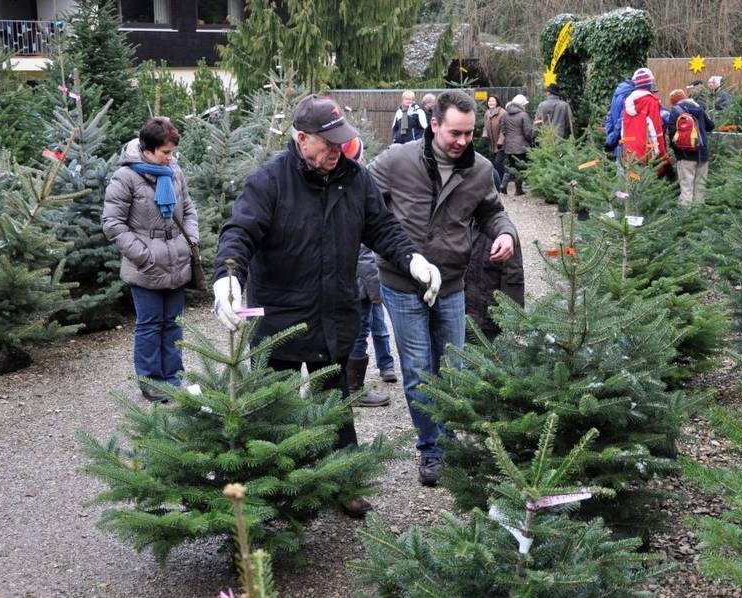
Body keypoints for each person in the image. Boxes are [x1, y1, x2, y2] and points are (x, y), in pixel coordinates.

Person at [212, 94, 442, 517]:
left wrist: (413, 258)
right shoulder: (269, 181)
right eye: (329, 143)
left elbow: (383, 228)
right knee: (272, 406)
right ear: (302, 139)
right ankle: (274, 494)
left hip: (333, 313)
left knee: (334, 406)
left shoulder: (354, 178)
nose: (338, 151)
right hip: (280, 319)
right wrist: (228, 276)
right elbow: (239, 233)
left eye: (342, 142)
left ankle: (341, 484)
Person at [368, 89, 519, 486]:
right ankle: (432, 449)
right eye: (455, 133)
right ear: (434, 124)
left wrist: (505, 234)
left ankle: (450, 440)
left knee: (453, 366)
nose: (462, 142)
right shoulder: (396, 161)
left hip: (452, 283)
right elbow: (364, 201)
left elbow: (493, 212)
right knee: (418, 370)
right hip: (402, 283)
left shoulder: (481, 170)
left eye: (469, 134)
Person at [103, 117, 199, 403]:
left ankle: (174, 378)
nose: (171, 158)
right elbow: (112, 223)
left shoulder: (174, 172)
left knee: (174, 323)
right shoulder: (126, 178)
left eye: (172, 152)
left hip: (177, 262)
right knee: (150, 324)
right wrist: (143, 255)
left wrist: (190, 240)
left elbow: (190, 209)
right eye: (165, 152)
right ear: (147, 149)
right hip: (145, 267)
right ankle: (151, 383)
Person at [346, 244, 398, 408]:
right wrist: (376, 294)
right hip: (360, 287)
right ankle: (353, 389)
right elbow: (365, 258)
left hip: (345, 285)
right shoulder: (360, 221)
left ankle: (343, 387)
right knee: (359, 335)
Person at [464, 223, 524, 341]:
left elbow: (513, 280)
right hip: (459, 314)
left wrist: (514, 321)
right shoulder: (459, 223)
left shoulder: (504, 234)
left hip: (488, 319)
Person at [667, 88, 715, 206]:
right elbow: (711, 126)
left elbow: (672, 134)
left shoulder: (675, 111)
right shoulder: (699, 108)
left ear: (674, 102)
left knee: (686, 188)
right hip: (702, 154)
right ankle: (698, 217)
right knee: (700, 188)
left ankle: (685, 219)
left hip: (685, 155)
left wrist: (676, 150)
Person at [622, 68, 669, 168]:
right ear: (649, 84)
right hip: (647, 153)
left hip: (630, 152)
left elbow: (624, 129)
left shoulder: (628, 102)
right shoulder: (651, 101)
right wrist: (661, 155)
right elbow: (656, 130)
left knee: (632, 180)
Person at [499, 93, 535, 196]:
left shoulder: (505, 115)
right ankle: (518, 190)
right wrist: (531, 140)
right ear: (521, 104)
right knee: (522, 167)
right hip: (521, 146)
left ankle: (503, 185)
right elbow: (528, 132)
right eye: (524, 104)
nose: (525, 106)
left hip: (509, 146)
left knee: (511, 166)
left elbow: (503, 130)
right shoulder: (523, 115)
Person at [604, 77, 636, 159]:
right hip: (624, 144)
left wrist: (610, 137)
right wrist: (613, 139)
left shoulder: (617, 93)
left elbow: (609, 117)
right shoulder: (629, 95)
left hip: (616, 142)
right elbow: (622, 120)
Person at [481, 94, 506, 183]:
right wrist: (484, 135)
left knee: (497, 162)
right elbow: (485, 126)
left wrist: (500, 141)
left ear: (497, 102)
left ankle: (501, 181)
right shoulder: (487, 113)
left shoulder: (502, 112)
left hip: (501, 143)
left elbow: (504, 129)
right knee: (496, 163)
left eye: (493, 101)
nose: (491, 103)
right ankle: (498, 180)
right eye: (489, 101)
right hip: (492, 143)